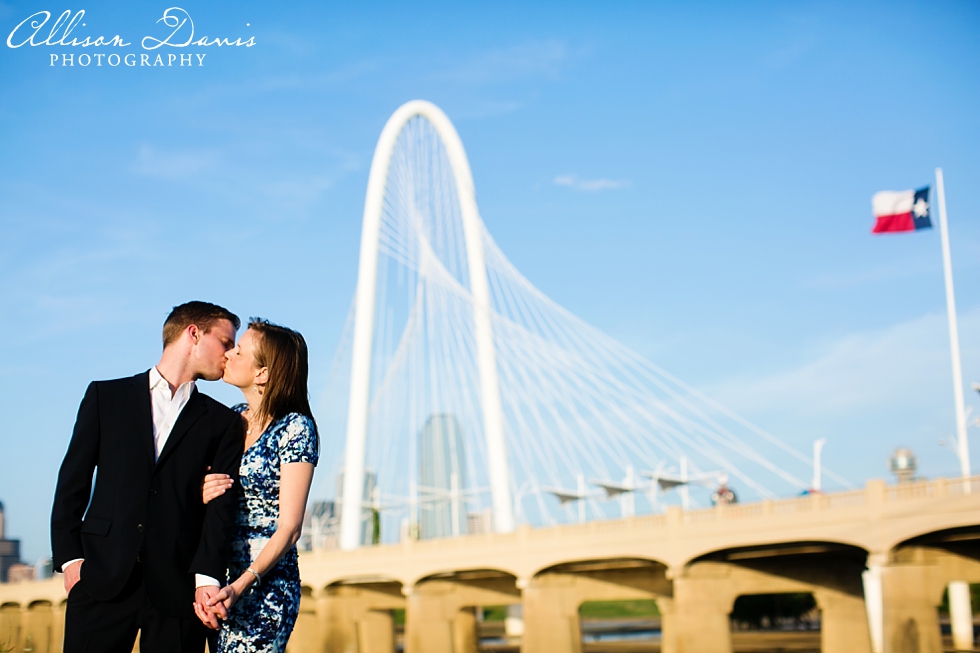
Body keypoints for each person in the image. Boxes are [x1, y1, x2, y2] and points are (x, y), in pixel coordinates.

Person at [51, 301, 245, 653]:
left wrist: (207, 579)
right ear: (194, 333)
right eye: (226, 342)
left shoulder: (224, 424)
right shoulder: (105, 397)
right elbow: (71, 484)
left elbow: (221, 509)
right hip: (101, 581)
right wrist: (70, 561)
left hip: (178, 590)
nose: (231, 354)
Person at [193, 318, 318, 652]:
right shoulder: (230, 421)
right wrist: (203, 490)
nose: (229, 354)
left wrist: (240, 585)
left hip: (264, 589)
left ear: (262, 374)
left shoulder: (296, 428)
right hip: (220, 587)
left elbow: (290, 529)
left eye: (239, 350)